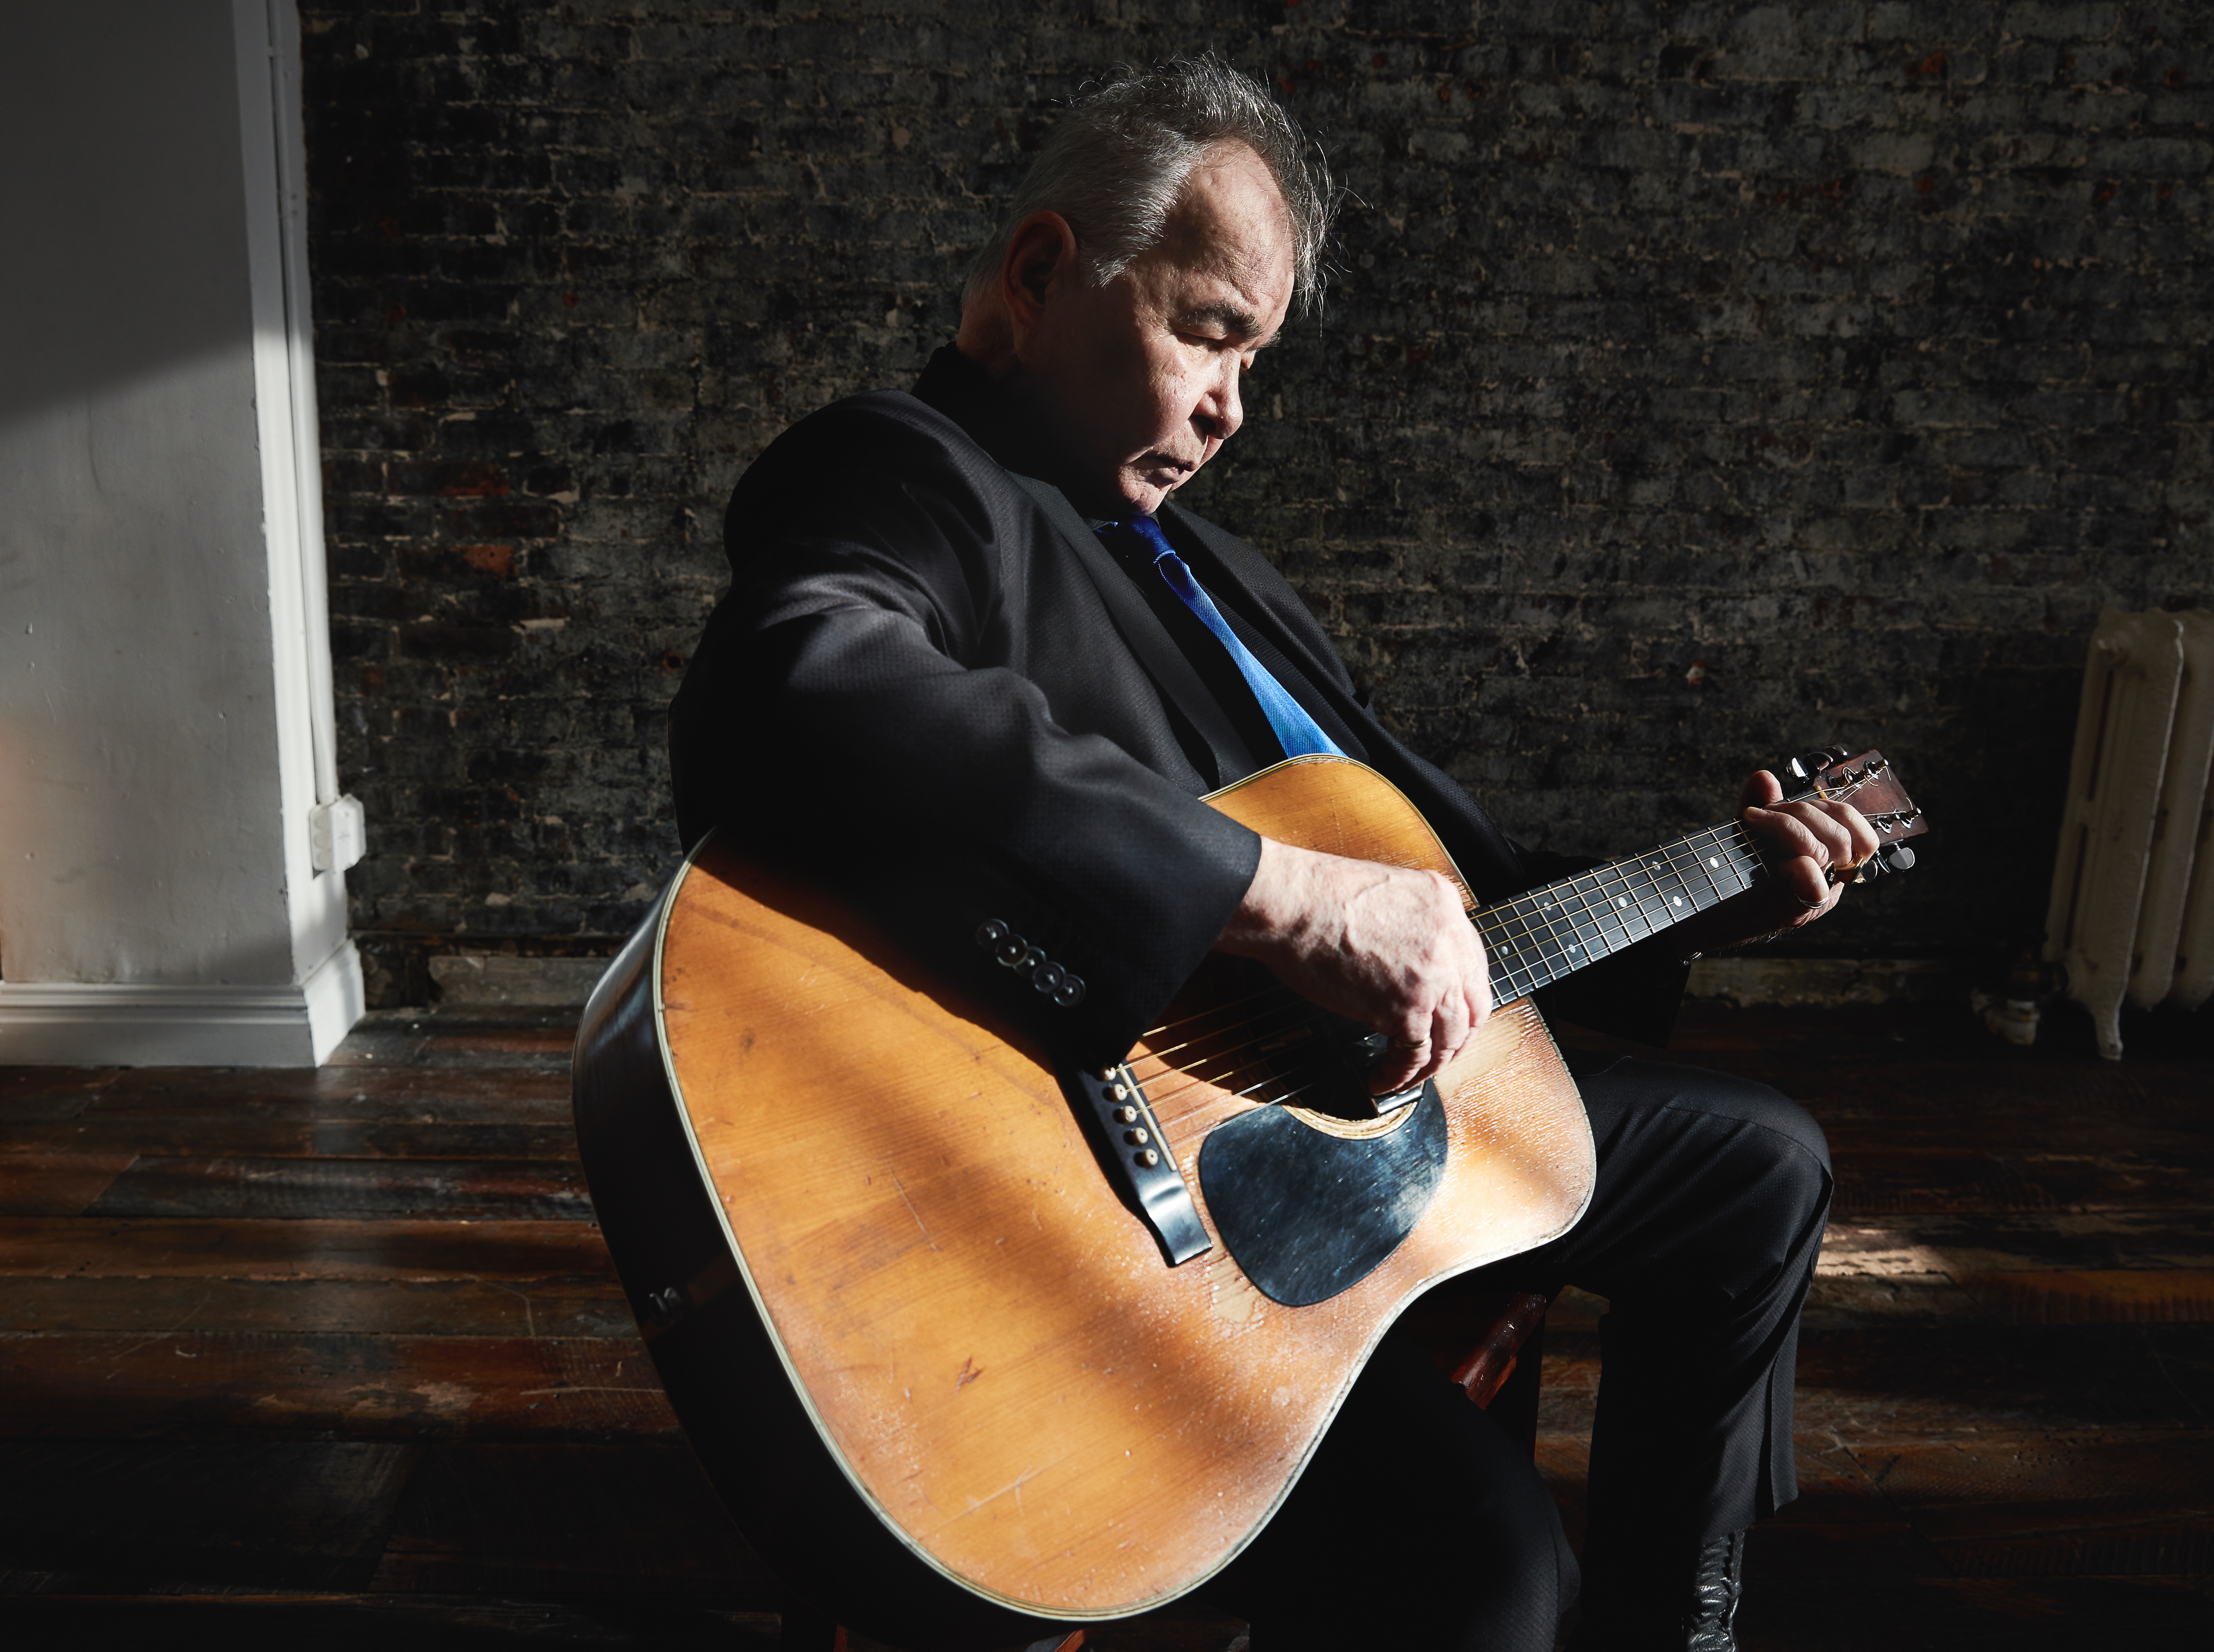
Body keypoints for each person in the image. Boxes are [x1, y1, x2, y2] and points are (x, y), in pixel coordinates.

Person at [669, 55, 1875, 1652]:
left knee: (1762, 1166)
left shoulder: (1223, 575)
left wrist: (1722, 895)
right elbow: (795, 685)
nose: (1233, 406)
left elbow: (1459, 908)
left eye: (1257, 359)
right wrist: (1273, 893)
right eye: (1206, 331)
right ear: (1037, 278)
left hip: (1357, 1112)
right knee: (1492, 1579)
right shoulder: (915, 472)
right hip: (1153, 1210)